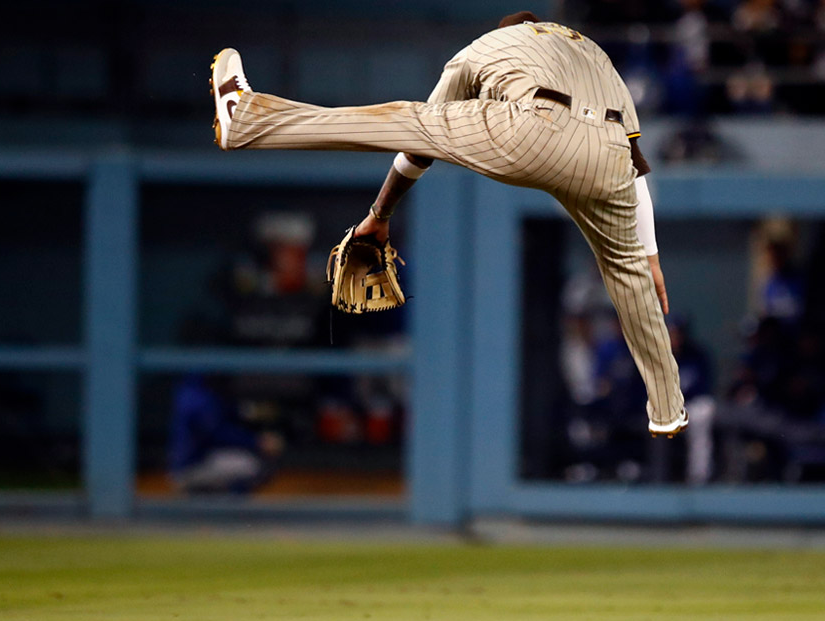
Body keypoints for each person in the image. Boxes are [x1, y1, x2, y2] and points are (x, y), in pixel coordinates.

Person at [209, 11, 688, 437]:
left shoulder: (486, 46)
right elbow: (637, 167)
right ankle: (667, 411)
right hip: (609, 154)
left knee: (408, 118)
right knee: (630, 280)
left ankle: (248, 119)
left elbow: (421, 143)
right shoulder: (596, 55)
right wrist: (649, 256)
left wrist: (380, 215)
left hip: (533, 129)